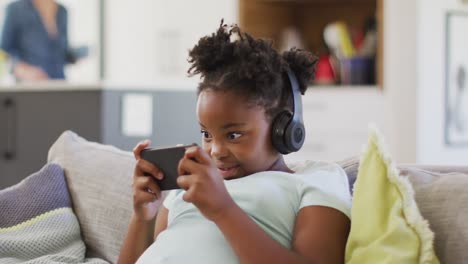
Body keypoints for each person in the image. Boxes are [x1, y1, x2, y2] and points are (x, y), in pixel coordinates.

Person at [118, 21, 352, 264]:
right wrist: (143, 217)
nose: (215, 151)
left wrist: (223, 209)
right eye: (206, 134)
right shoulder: (187, 187)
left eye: (233, 135)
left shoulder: (316, 179)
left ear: (283, 128)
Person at [0, 0, 76, 81]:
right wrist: (20, 69)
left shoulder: (62, 11)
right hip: (29, 86)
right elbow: (3, 51)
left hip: (59, 83)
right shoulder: (16, 9)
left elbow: (63, 53)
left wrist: (77, 54)